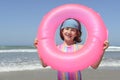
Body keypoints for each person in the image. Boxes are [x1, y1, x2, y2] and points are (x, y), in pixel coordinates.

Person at [34, 18, 109, 80]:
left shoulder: (80, 48)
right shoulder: (56, 49)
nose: (69, 32)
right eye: (66, 29)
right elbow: (44, 64)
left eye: (73, 30)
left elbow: (94, 66)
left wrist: (102, 50)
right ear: (62, 31)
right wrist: (39, 49)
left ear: (77, 33)